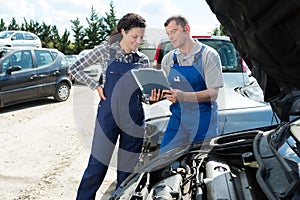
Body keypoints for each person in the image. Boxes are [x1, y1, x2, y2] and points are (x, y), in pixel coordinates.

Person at [69, 13, 150, 199]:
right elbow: (74, 68)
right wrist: (95, 86)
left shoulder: (142, 60)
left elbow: (144, 96)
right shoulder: (106, 51)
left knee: (127, 170)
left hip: (134, 119)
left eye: (141, 37)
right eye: (134, 37)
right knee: (97, 164)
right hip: (108, 117)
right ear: (123, 32)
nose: (138, 41)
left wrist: (153, 96)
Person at [151, 15, 224, 154]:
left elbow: (213, 94)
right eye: (168, 33)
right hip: (179, 117)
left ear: (187, 29)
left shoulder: (208, 55)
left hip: (204, 119)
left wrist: (183, 96)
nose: (170, 37)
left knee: (203, 159)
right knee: (164, 157)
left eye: (174, 31)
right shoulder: (168, 59)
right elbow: (169, 90)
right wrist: (157, 96)